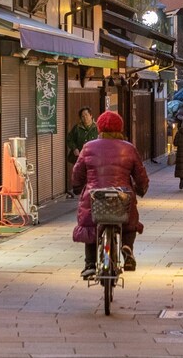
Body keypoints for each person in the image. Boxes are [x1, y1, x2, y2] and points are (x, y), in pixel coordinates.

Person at [71, 111, 149, 279]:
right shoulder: (128, 148)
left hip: (95, 197)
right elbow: (140, 174)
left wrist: (77, 187)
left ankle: (90, 264)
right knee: (129, 222)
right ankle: (127, 248)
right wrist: (141, 188)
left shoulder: (88, 147)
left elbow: (77, 172)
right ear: (120, 128)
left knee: (90, 226)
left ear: (99, 127)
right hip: (122, 197)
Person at [66, 106, 98, 196]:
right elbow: (69, 139)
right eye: (82, 116)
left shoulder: (97, 128)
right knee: (81, 175)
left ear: (91, 115)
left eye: (86, 115)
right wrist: (74, 148)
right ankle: (84, 192)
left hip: (94, 157)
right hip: (80, 157)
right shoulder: (77, 128)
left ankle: (91, 191)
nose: (85, 118)